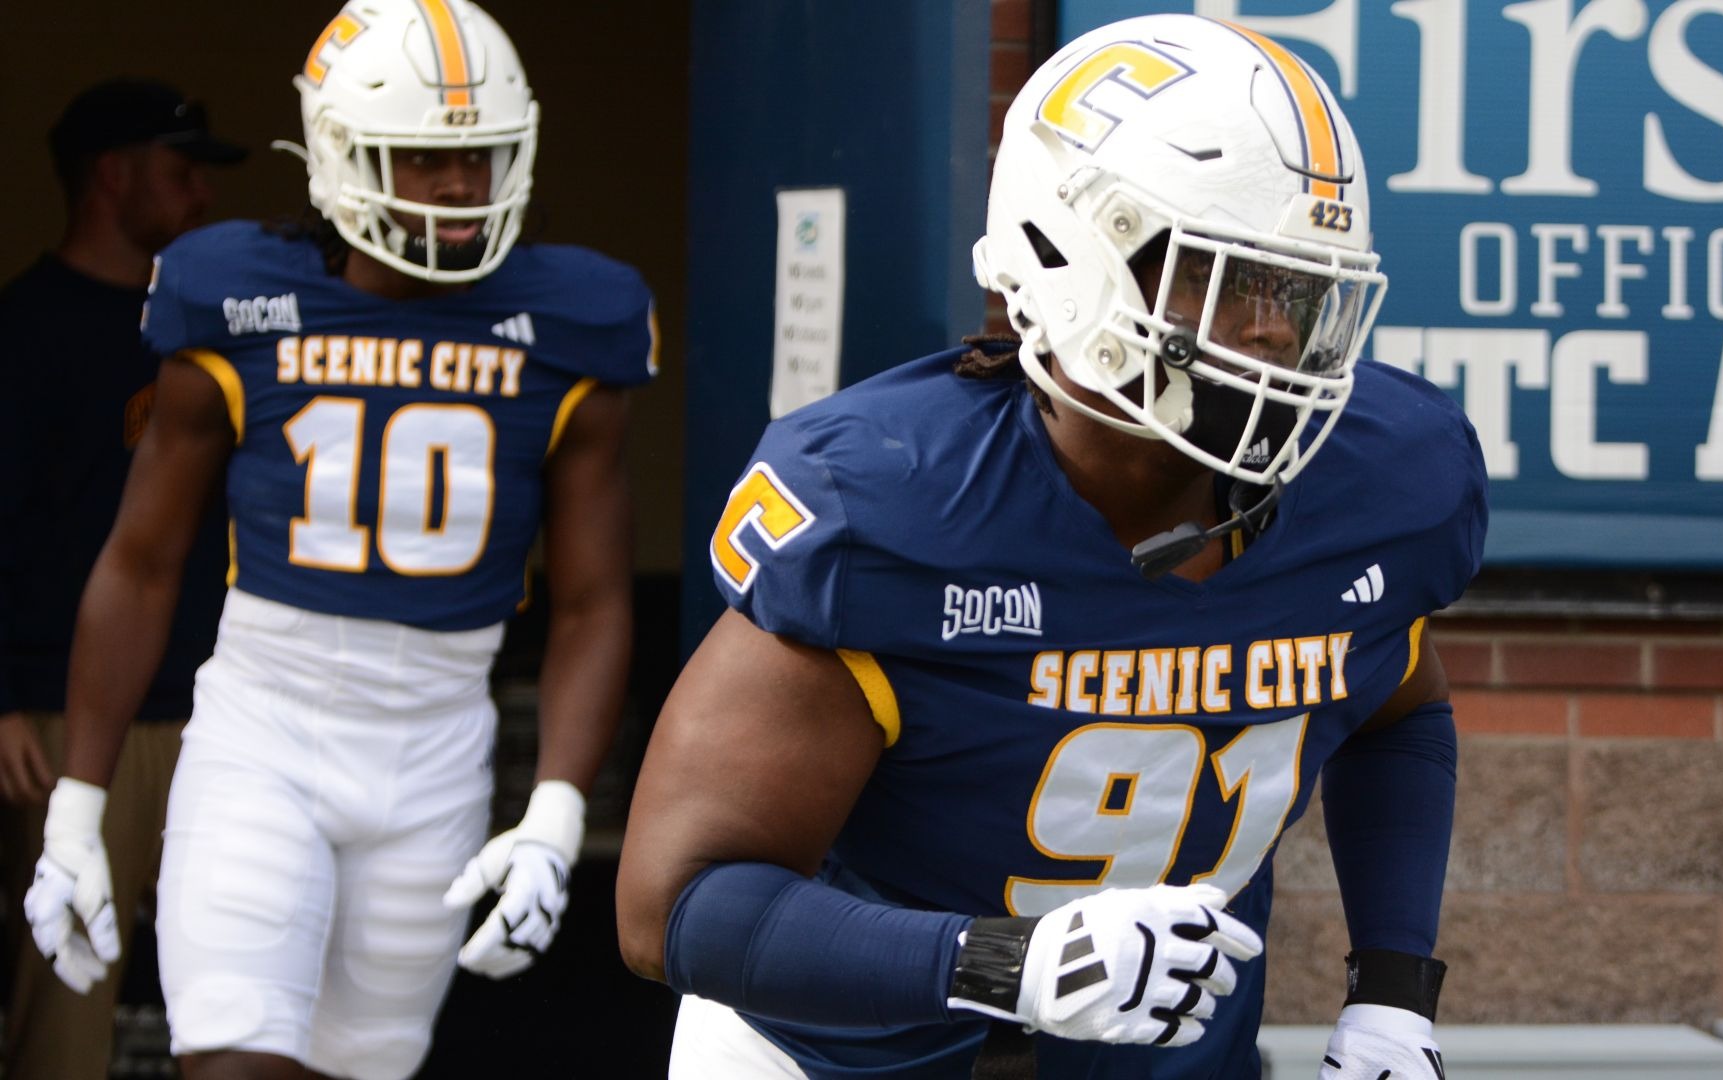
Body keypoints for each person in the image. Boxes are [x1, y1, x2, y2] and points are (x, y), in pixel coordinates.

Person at [617, 13, 1485, 1080]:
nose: (1274, 333)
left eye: (1300, 291)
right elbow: (678, 906)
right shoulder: (897, 504)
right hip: (836, 1060)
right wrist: (1006, 967)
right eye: (1225, 280)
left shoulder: (1377, 478)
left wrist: (1393, 997)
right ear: (1074, 260)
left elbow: (1399, 704)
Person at [22, 2, 656, 1077]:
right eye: (424, 160)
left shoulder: (576, 322)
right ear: (339, 151)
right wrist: (77, 808)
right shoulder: (238, 295)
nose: (459, 192)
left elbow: (594, 601)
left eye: (480, 159)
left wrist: (554, 813)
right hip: (263, 732)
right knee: (235, 1059)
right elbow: (140, 560)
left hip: (439, 752)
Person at [0, 78, 244, 1080]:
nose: (199, 200)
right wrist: (5, 698)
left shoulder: (202, 329)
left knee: (238, 989)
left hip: (218, 708)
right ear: (112, 176)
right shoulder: (26, 329)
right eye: (179, 173)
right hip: (64, 717)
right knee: (64, 993)